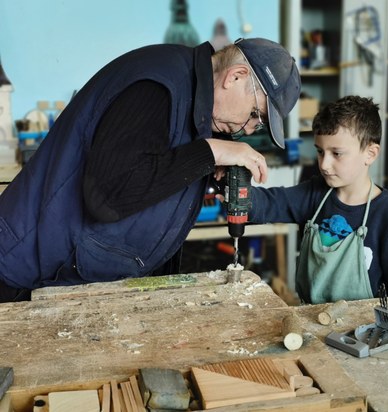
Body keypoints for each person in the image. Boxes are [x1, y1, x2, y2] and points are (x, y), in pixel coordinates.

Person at [0, 38, 301, 303]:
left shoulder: (193, 101)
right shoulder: (158, 86)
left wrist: (205, 161)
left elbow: (152, 177)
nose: (248, 130)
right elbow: (108, 196)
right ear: (235, 77)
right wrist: (209, 152)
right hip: (20, 273)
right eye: (254, 115)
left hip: (69, 273)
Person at [246, 96, 388, 303]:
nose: (324, 164)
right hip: (312, 317)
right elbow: (269, 203)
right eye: (320, 152)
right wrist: (235, 188)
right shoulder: (315, 193)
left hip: (365, 328)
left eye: (337, 153)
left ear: (370, 154)